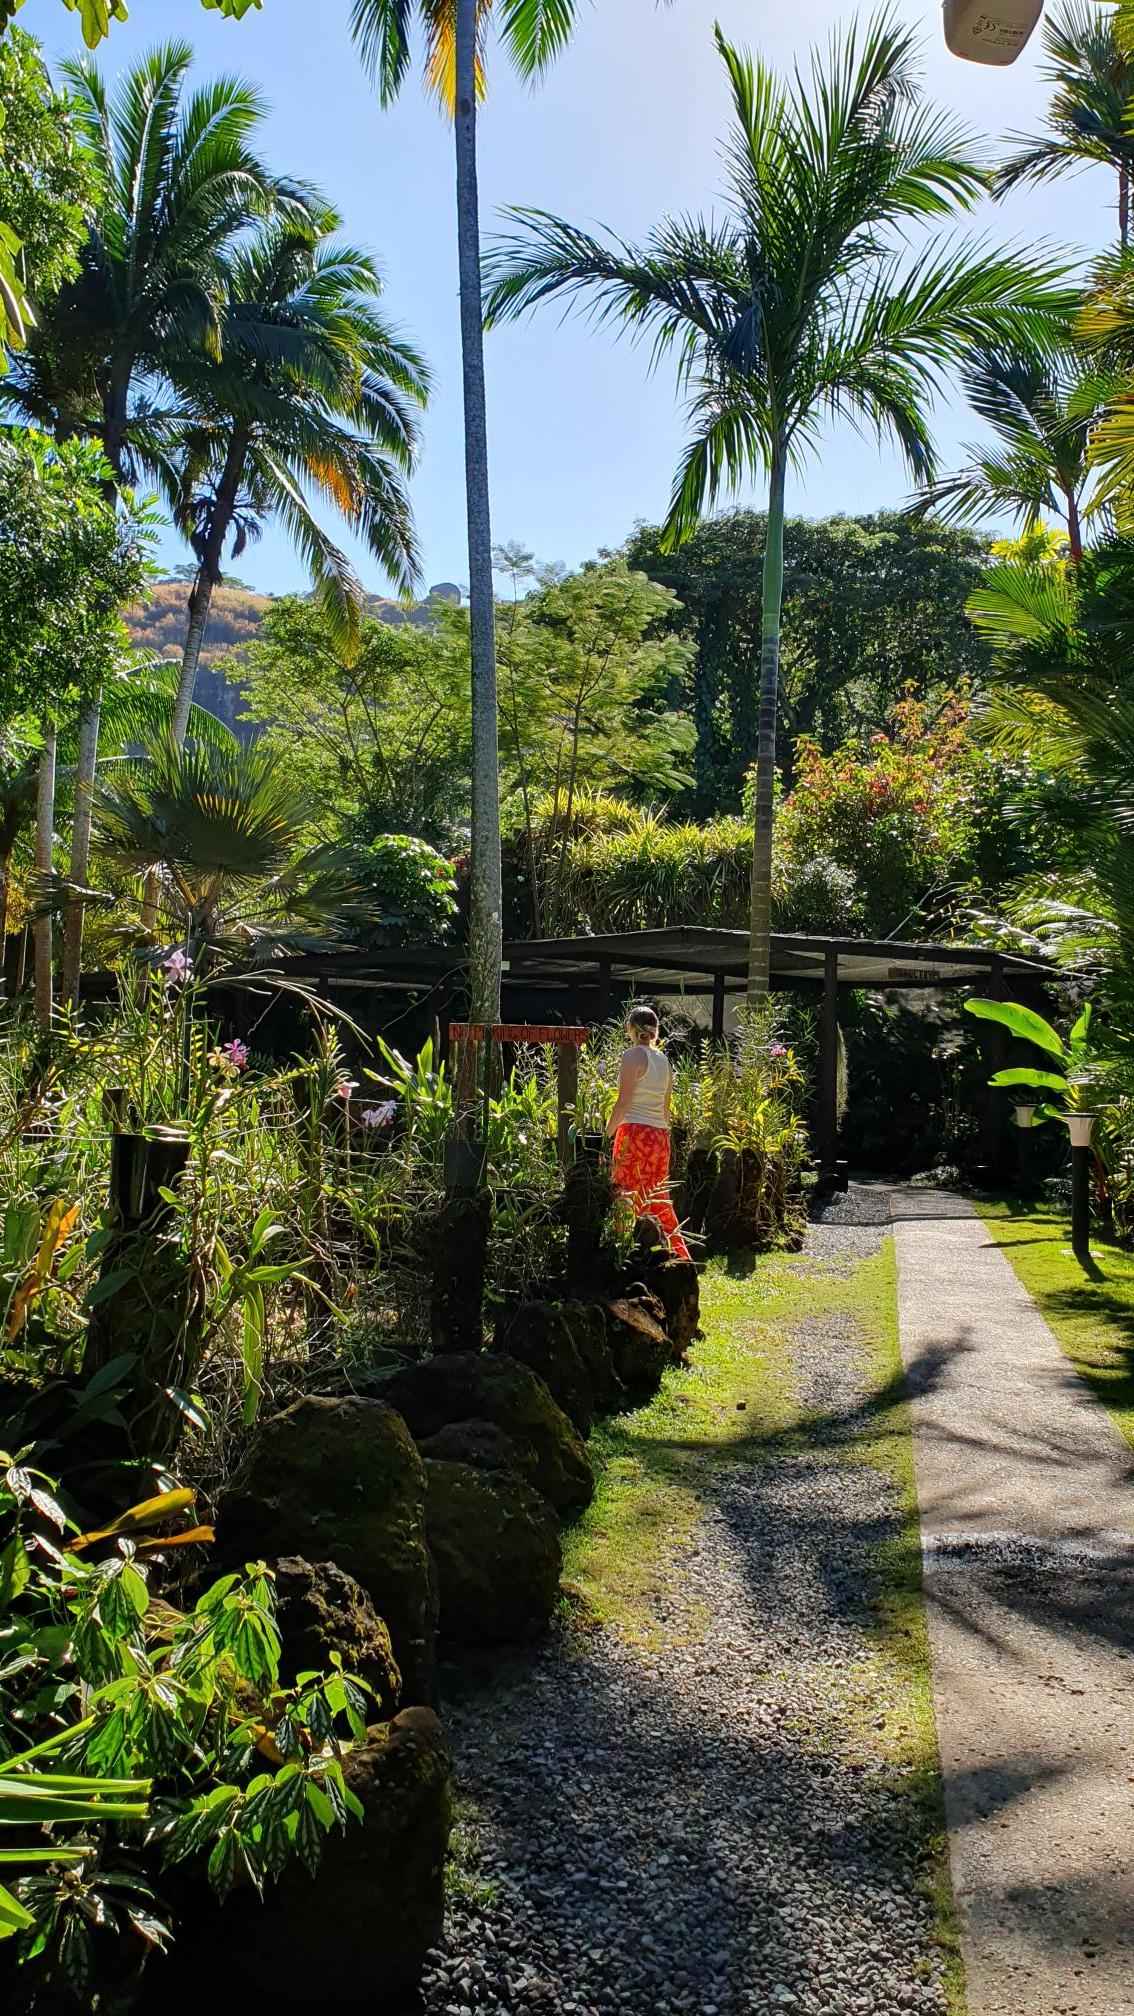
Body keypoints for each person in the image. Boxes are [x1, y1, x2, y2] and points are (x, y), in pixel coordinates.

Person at [605, 1003, 691, 1261]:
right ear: (655, 1030)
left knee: (625, 1193)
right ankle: (679, 1255)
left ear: (631, 1028)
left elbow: (624, 1101)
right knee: (658, 1197)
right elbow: (666, 1108)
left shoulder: (633, 1056)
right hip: (659, 1135)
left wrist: (606, 1134)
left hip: (634, 1132)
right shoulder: (664, 1061)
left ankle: (621, 1254)